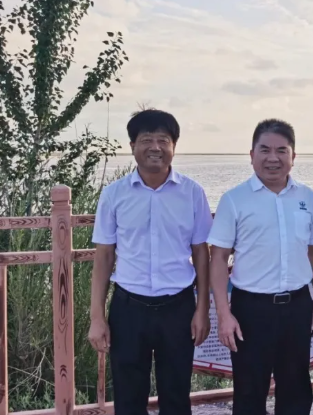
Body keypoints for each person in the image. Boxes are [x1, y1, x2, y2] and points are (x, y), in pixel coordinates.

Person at [87, 109, 213, 415]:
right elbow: (104, 256)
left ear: (174, 147)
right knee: (128, 399)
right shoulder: (114, 194)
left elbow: (201, 253)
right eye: (146, 140)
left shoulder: (192, 193)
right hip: (129, 308)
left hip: (178, 307)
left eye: (163, 140)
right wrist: (97, 317)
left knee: (177, 395)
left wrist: (202, 310)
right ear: (132, 146)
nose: (155, 147)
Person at [207, 118, 313, 415]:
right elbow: (218, 258)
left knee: (296, 388)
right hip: (251, 309)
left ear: (293, 156)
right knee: (249, 391)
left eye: (281, 150)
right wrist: (224, 314)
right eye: (264, 150)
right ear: (252, 155)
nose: (273, 158)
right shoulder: (234, 200)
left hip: (298, 305)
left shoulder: (307, 197)